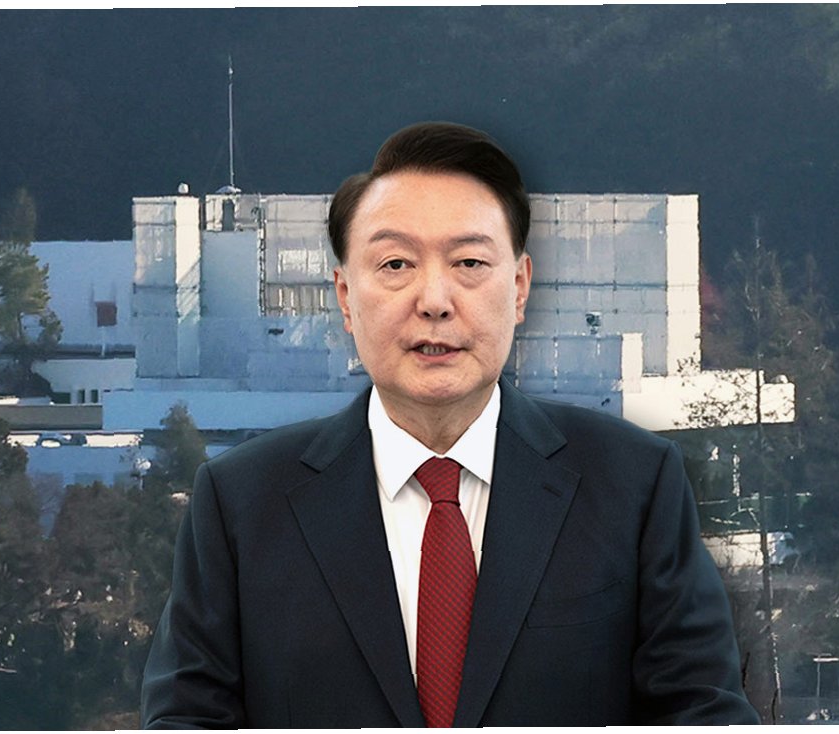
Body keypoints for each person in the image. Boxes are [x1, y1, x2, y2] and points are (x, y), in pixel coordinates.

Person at [140, 122, 759, 727]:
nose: (434, 301)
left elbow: (704, 715)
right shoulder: (242, 504)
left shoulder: (633, 485)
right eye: (395, 265)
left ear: (520, 288)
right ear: (345, 298)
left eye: (468, 262)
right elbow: (186, 721)